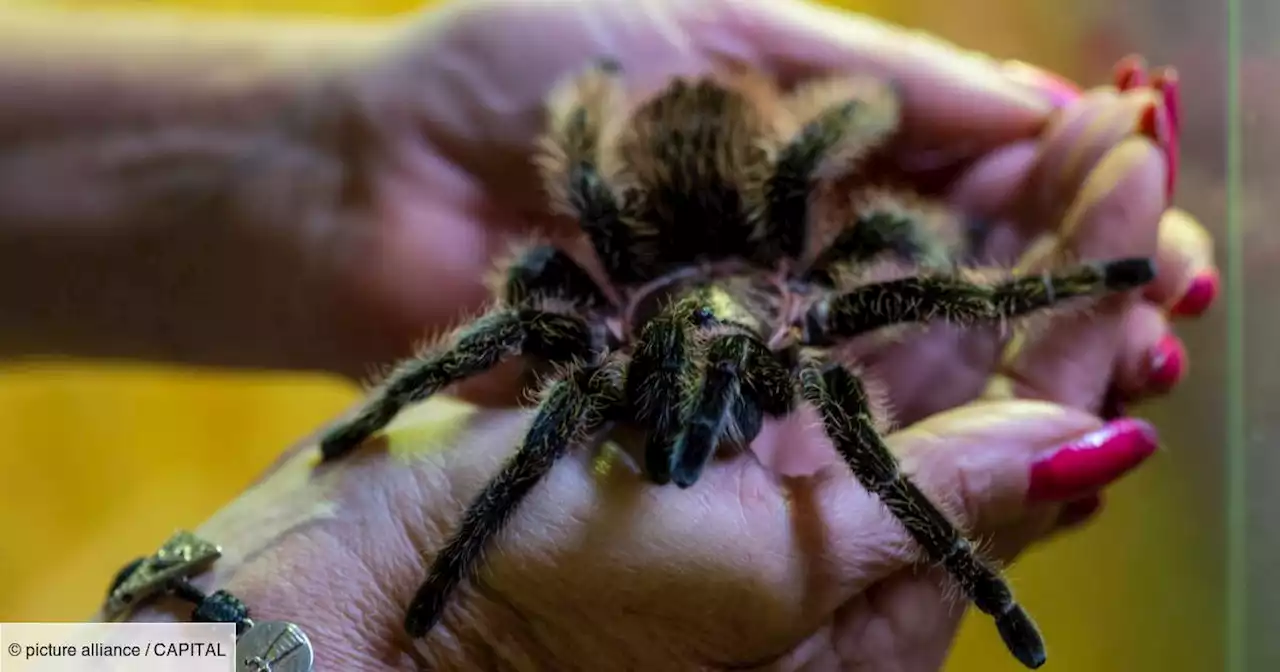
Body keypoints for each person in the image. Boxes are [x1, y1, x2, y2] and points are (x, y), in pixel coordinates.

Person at [0, 0, 1216, 669]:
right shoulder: (591, 328)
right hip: (661, 267)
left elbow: (881, 206)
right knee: (528, 327)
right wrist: (426, 610)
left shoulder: (817, 296)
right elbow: (530, 283)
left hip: (747, 260)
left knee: (910, 307)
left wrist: (1087, 276)